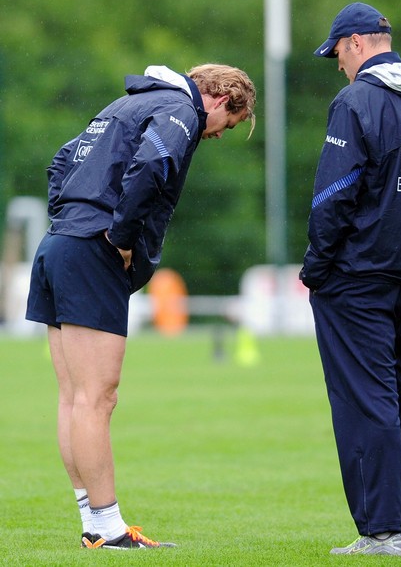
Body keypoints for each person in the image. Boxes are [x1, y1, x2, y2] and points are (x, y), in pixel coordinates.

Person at [26, 63, 256, 550]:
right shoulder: (180, 109)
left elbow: (62, 159)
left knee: (74, 397)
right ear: (220, 99)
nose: (217, 135)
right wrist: (121, 236)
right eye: (227, 125)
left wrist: (69, 217)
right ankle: (108, 529)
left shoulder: (127, 103)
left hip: (58, 245)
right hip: (92, 250)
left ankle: (93, 523)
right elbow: (151, 165)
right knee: (97, 397)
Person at [300, 2, 401, 556]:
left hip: (354, 277)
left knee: (366, 399)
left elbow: (333, 195)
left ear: (355, 43)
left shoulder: (356, 101)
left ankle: (382, 532)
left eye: (337, 54)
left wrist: (316, 267)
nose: (338, 65)